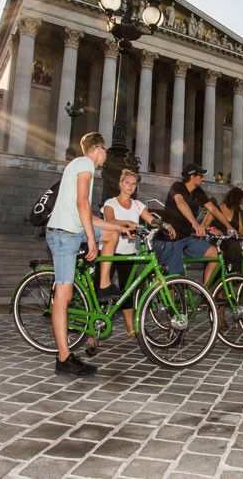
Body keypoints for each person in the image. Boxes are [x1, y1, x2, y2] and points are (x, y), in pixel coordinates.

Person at [46, 132, 131, 377]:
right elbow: (84, 203)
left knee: (112, 236)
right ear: (97, 149)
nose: (106, 155)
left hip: (74, 231)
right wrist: (92, 240)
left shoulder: (81, 168)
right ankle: (64, 358)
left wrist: (119, 227)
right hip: (63, 235)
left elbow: (88, 216)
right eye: (104, 151)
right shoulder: (84, 164)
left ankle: (103, 284)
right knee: (64, 295)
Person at [102, 169, 175, 338]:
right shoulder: (110, 203)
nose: (130, 186)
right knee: (102, 289)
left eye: (133, 183)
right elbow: (110, 221)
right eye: (127, 182)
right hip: (110, 252)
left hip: (130, 253)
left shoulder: (138, 205)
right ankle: (94, 331)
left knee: (127, 292)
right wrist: (127, 223)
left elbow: (151, 219)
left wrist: (164, 224)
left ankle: (130, 328)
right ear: (120, 184)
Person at [154, 163, 236, 284]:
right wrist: (195, 224)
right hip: (169, 239)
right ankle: (166, 301)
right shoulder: (177, 186)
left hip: (185, 238)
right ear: (192, 177)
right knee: (172, 279)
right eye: (201, 176)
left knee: (215, 254)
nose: (203, 179)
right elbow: (180, 202)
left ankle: (206, 292)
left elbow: (213, 209)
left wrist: (229, 226)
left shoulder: (198, 192)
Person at [203, 186, 243, 272]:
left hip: (233, 249)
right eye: (240, 201)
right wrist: (213, 230)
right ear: (234, 200)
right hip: (218, 245)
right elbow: (204, 225)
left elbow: (241, 229)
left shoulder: (237, 211)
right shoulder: (216, 210)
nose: (241, 204)